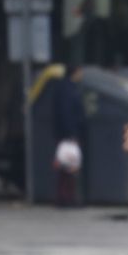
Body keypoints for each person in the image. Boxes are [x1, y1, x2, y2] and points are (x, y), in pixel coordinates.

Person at [50, 65, 86, 208]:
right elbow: (67, 113)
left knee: (67, 165)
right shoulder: (68, 89)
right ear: (75, 73)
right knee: (69, 165)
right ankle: (66, 197)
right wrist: (71, 133)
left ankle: (65, 197)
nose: (81, 75)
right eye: (80, 72)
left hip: (66, 133)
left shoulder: (64, 88)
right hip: (68, 134)